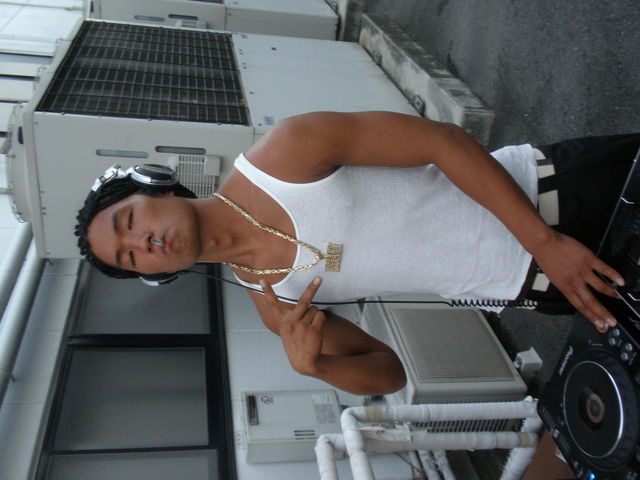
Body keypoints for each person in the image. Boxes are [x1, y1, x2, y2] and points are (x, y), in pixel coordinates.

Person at [75, 111, 639, 395]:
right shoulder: (277, 308)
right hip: (544, 288)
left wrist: (543, 242)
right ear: (156, 275)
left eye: (129, 221)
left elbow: (440, 141)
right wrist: (316, 366)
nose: (142, 243)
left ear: (158, 186)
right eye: (130, 258)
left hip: (557, 197)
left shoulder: (284, 154)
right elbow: (389, 373)